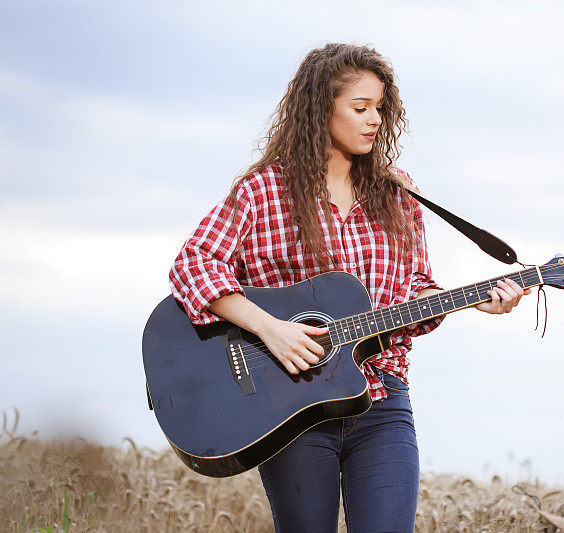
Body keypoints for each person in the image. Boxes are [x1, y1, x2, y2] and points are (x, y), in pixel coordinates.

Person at [168, 43, 529, 532]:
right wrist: (272, 329)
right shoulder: (265, 190)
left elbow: (415, 289)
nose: (375, 119)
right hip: (292, 406)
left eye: (381, 108)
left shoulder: (399, 193)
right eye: (361, 108)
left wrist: (474, 302)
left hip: (383, 399)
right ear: (321, 110)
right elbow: (194, 264)